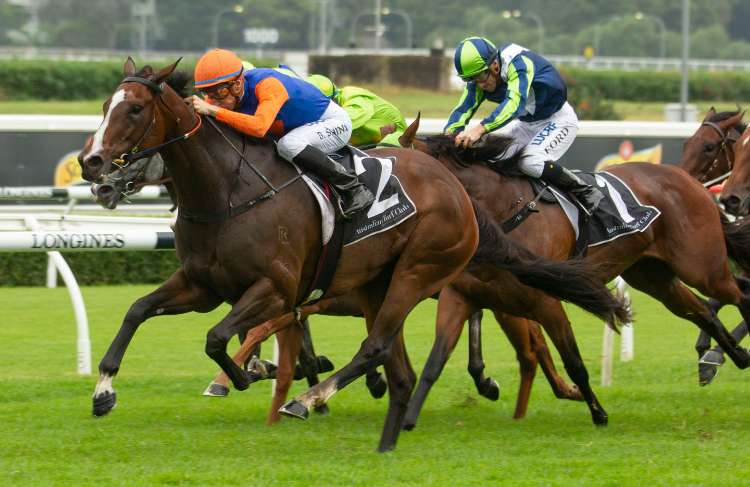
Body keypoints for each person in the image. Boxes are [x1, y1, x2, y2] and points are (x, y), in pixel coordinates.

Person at [188, 49, 374, 218]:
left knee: (288, 145)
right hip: (298, 130)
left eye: (219, 92)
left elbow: (259, 127)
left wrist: (213, 111)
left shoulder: (268, 84)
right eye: (207, 93)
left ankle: (353, 188)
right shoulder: (222, 97)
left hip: (334, 124)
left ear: (237, 84)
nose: (213, 101)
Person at [445, 37, 603, 213]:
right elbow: (462, 110)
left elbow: (514, 104)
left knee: (529, 162)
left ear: (495, 65)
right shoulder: (479, 80)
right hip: (527, 125)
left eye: (481, 76)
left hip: (558, 120)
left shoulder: (518, 63)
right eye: (471, 79)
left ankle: (584, 190)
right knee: (493, 157)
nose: (480, 84)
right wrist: (448, 137)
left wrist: (479, 129)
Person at [306, 74, 407, 148]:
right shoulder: (337, 101)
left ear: (333, 99)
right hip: (367, 142)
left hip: (394, 136)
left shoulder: (355, 99)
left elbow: (342, 124)